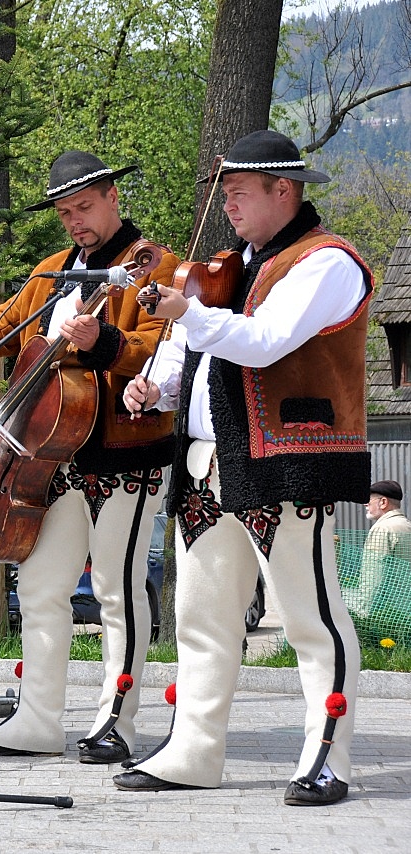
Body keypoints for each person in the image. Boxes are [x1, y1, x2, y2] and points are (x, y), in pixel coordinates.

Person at [0, 151, 179, 764]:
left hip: (125, 454)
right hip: (53, 457)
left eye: (85, 207)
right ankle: (39, 720)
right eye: (65, 212)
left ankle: (116, 721)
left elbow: (160, 347)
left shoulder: (156, 265)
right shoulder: (52, 273)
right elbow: (0, 326)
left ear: (112, 197)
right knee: (41, 588)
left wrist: (104, 342)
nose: (75, 221)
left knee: (118, 589)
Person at [118, 129, 372, 806]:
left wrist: (189, 311)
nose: (227, 204)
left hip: (283, 461)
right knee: (201, 617)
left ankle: (328, 756)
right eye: (224, 193)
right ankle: (193, 752)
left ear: (282, 190)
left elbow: (262, 343)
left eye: (237, 191)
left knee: (310, 617)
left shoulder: (326, 262)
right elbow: (199, 359)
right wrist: (155, 387)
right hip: (207, 460)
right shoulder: (230, 268)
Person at [349, 480, 411, 620]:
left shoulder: (382, 529)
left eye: (368, 500)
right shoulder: (407, 525)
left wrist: (363, 614)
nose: (365, 504)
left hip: (387, 614)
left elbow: (373, 576)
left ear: (383, 502)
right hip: (405, 611)